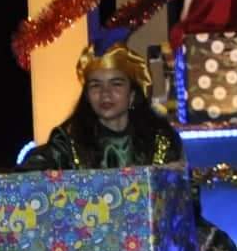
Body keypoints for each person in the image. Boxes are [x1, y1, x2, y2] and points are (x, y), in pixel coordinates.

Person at [19, 45, 185, 170]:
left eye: (116, 84)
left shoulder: (159, 139)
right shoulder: (68, 140)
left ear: (132, 95)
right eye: (96, 86)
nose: (105, 94)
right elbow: (33, 173)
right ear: (87, 95)